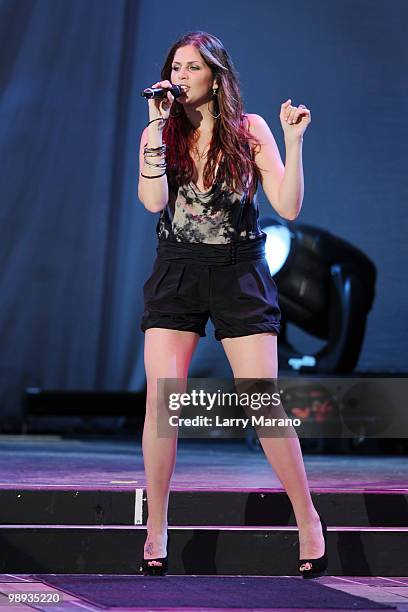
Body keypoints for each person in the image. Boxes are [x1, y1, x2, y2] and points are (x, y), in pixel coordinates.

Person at [137, 31, 327, 579]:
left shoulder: (249, 131)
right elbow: (153, 200)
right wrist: (154, 129)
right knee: (161, 403)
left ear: (215, 77)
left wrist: (293, 144)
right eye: (175, 67)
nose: (180, 76)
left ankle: (307, 517)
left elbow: (287, 207)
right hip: (178, 267)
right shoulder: (160, 132)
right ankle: (156, 526)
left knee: (260, 402)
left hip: (240, 269)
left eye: (191, 67)